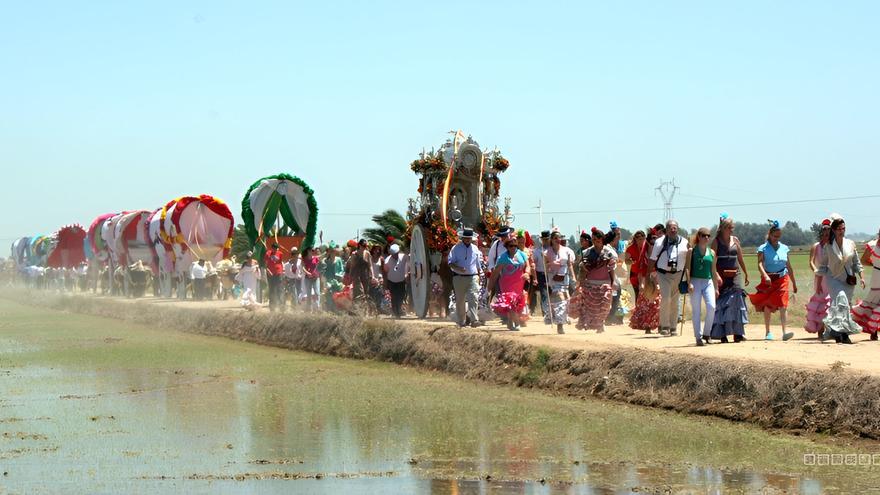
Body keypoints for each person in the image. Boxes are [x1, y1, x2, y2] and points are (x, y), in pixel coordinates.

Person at [748, 220, 797, 341]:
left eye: (779, 236)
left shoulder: (785, 248)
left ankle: (784, 332)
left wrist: (794, 283)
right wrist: (765, 275)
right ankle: (768, 332)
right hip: (768, 279)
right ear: (769, 235)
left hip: (782, 278)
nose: (777, 238)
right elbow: (759, 264)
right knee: (767, 305)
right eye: (775, 236)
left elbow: (789, 266)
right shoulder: (763, 248)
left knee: (783, 304)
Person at [818, 217, 864, 344]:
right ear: (833, 230)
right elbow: (823, 265)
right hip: (833, 279)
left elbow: (857, 263)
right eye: (838, 229)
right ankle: (842, 334)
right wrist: (818, 281)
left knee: (844, 307)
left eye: (843, 228)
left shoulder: (851, 244)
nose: (841, 231)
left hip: (848, 280)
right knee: (841, 301)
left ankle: (839, 333)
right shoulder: (828, 246)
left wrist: (862, 277)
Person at [708, 215, 750, 343]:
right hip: (721, 274)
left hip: (735, 274)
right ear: (724, 228)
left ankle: (738, 333)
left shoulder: (735, 240)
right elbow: (712, 261)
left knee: (737, 301)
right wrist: (716, 275)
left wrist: (746, 273)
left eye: (732, 227)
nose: (732, 230)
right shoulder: (716, 242)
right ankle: (722, 334)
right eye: (730, 228)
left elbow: (740, 258)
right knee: (722, 303)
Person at [569, 227, 617, 333]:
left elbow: (611, 269)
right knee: (591, 306)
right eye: (594, 240)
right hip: (590, 283)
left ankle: (601, 322)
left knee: (604, 305)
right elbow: (583, 270)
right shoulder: (587, 253)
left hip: (605, 283)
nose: (596, 242)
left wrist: (613, 282)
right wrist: (580, 283)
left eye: (598, 240)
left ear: (602, 240)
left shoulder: (609, 252)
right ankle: (596, 325)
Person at [647, 219, 689, 336]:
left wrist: (688, 274)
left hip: (678, 274)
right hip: (663, 274)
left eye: (675, 227)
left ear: (678, 229)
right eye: (670, 227)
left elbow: (688, 257)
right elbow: (652, 259)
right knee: (666, 298)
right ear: (666, 230)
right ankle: (664, 325)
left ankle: (673, 326)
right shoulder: (659, 242)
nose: (673, 229)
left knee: (675, 301)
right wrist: (648, 275)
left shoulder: (684, 242)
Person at [684, 227, 718, 347]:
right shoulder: (691, 251)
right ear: (699, 236)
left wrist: (716, 288)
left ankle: (707, 334)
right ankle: (698, 337)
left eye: (708, 235)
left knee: (712, 307)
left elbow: (713, 272)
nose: (706, 238)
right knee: (696, 311)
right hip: (695, 281)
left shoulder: (712, 253)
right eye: (703, 235)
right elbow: (687, 268)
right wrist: (689, 283)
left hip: (708, 282)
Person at [488, 237, 530, 330]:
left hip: (519, 284)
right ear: (507, 247)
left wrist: (527, 273)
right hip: (507, 284)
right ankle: (517, 322)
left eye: (515, 246)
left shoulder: (522, 254)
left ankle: (510, 322)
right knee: (510, 302)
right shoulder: (503, 257)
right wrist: (489, 288)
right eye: (511, 246)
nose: (514, 248)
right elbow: (495, 274)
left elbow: (528, 266)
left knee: (516, 304)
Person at [447, 229, 483, 327]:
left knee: (473, 297)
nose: (468, 239)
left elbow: (478, 264)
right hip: (459, 278)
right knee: (460, 300)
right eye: (466, 238)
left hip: (473, 277)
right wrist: (458, 268)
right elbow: (450, 263)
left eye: (469, 238)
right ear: (462, 238)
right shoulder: (456, 248)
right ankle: (461, 320)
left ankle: (474, 320)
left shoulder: (475, 248)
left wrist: (479, 275)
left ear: (471, 238)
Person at [629, 228, 661, 333]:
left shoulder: (660, 250)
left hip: (658, 276)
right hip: (646, 277)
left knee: (658, 302)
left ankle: (660, 324)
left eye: (656, 238)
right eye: (652, 238)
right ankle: (647, 325)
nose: (654, 240)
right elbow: (640, 269)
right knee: (647, 303)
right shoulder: (645, 252)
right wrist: (641, 284)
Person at [804, 219, 832, 336]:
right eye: (824, 232)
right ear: (821, 233)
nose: (826, 234)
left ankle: (828, 328)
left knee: (830, 302)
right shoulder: (816, 246)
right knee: (820, 301)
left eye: (828, 232)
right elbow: (811, 261)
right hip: (819, 278)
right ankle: (820, 329)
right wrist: (816, 271)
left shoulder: (832, 246)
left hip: (831, 278)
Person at [545, 230, 576, 333]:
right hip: (553, 280)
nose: (558, 240)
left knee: (565, 301)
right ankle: (559, 324)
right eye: (555, 238)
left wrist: (573, 277)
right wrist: (550, 264)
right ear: (552, 240)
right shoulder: (547, 252)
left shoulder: (567, 251)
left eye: (559, 238)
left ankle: (562, 320)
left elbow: (570, 265)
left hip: (564, 279)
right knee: (560, 301)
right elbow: (544, 267)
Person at [852, 226, 880, 339]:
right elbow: (863, 260)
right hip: (877, 276)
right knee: (873, 302)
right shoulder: (872, 245)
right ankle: (873, 332)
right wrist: (875, 265)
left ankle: (873, 329)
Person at [530, 231, 552, 320]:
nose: (545, 241)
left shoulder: (553, 250)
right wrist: (535, 277)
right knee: (544, 294)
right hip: (541, 274)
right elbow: (533, 263)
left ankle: (553, 312)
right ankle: (545, 313)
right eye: (544, 239)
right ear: (541, 240)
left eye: (547, 239)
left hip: (551, 274)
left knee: (553, 293)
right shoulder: (537, 251)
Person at [384, 243, 409, 318]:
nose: (395, 255)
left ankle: (398, 309)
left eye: (396, 254)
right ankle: (395, 312)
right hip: (391, 281)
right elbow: (385, 272)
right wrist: (385, 283)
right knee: (394, 297)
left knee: (401, 296)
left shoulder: (404, 257)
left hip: (401, 281)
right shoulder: (387, 260)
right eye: (393, 254)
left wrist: (407, 273)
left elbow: (408, 264)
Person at [348, 239, 373, 312]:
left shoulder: (367, 253)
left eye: (366, 246)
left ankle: (363, 310)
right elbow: (352, 266)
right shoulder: (354, 254)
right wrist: (350, 276)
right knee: (359, 292)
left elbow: (370, 265)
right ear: (359, 245)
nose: (365, 247)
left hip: (365, 275)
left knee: (365, 293)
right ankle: (355, 309)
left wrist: (373, 275)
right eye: (364, 246)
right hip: (356, 275)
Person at [319, 243, 345, 311]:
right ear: (329, 252)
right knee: (329, 295)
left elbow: (342, 269)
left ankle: (336, 310)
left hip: (337, 280)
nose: (333, 252)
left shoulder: (338, 259)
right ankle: (329, 309)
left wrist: (340, 276)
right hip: (328, 280)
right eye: (331, 251)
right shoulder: (325, 260)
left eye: (333, 251)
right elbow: (322, 269)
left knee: (337, 295)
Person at [625, 230, 646, 299]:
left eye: (643, 239)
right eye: (639, 239)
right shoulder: (630, 248)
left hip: (645, 274)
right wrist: (631, 262)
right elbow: (626, 261)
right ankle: (637, 308)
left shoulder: (647, 247)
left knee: (645, 295)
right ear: (635, 239)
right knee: (637, 295)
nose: (642, 241)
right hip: (634, 275)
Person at [264, 242, 285, 311]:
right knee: (272, 290)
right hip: (270, 275)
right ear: (272, 248)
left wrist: (282, 271)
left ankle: (282, 307)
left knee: (280, 290)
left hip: (279, 273)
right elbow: (265, 264)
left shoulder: (280, 254)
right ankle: (272, 307)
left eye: (277, 248)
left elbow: (281, 263)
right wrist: (268, 271)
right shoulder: (268, 254)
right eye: (274, 248)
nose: (275, 250)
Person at [301, 246, 321, 312]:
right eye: (311, 250)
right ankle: (309, 309)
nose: (312, 252)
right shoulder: (304, 259)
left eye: (312, 250)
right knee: (309, 294)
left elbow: (321, 258)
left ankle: (317, 307)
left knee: (317, 292)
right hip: (308, 278)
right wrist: (307, 273)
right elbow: (303, 267)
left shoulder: (316, 258)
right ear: (308, 251)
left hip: (316, 278)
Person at [369, 245, 386, 314]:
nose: (377, 251)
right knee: (371, 294)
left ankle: (379, 308)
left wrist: (382, 278)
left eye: (378, 250)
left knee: (379, 293)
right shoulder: (369, 258)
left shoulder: (381, 259)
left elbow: (382, 270)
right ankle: (372, 309)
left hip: (379, 278)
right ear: (372, 250)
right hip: (371, 278)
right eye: (375, 249)